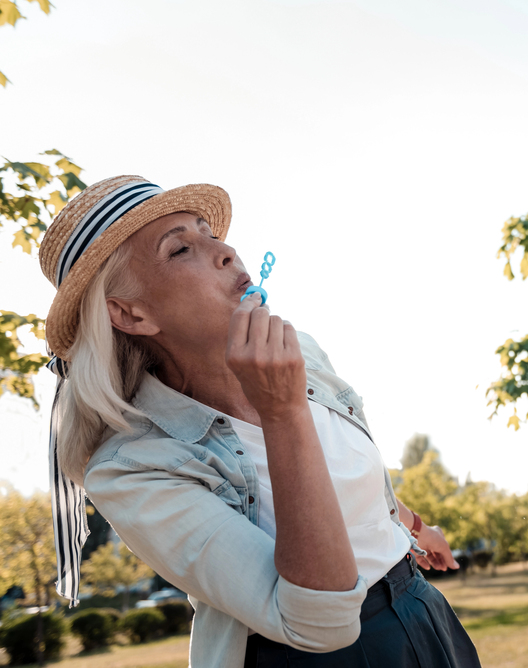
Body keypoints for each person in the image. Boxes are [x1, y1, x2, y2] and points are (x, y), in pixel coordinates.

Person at [37, 175, 481, 668]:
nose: (225, 252)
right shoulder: (133, 468)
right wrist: (283, 411)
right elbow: (321, 622)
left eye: (210, 232)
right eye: (181, 249)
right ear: (130, 314)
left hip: (419, 610)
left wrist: (415, 527)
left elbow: (338, 478)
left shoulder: (302, 354)